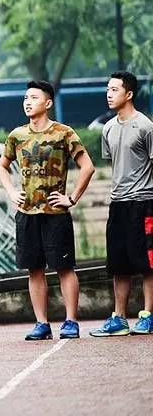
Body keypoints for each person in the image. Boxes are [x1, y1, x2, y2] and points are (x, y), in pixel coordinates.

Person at [0, 80, 95, 341]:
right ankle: (41, 323)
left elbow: (88, 167)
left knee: (64, 268)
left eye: (34, 97)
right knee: (34, 269)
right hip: (27, 213)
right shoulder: (17, 135)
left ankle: (71, 321)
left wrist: (71, 198)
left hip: (55, 213)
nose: (27, 102)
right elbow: (2, 166)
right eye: (25, 98)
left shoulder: (64, 133)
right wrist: (10, 191)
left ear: (48, 103)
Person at [89, 71, 153, 337]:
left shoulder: (146, 127)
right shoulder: (108, 128)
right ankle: (119, 318)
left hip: (144, 203)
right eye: (107, 89)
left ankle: (148, 316)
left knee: (148, 264)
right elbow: (114, 165)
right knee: (119, 264)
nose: (108, 94)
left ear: (129, 94)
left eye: (114, 90)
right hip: (118, 204)